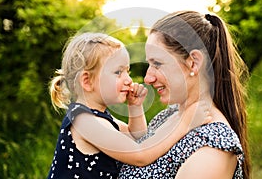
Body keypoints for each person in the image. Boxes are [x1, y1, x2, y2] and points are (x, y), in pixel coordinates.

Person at [47, 32, 209, 179]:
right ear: (87, 81)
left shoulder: (98, 118)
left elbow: (137, 138)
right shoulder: (84, 122)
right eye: (118, 72)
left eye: (127, 72)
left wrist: (135, 108)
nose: (128, 80)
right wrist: (185, 123)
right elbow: (140, 155)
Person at [118, 11, 251, 179]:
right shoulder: (169, 115)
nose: (148, 78)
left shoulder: (214, 146)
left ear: (193, 63)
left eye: (157, 64)